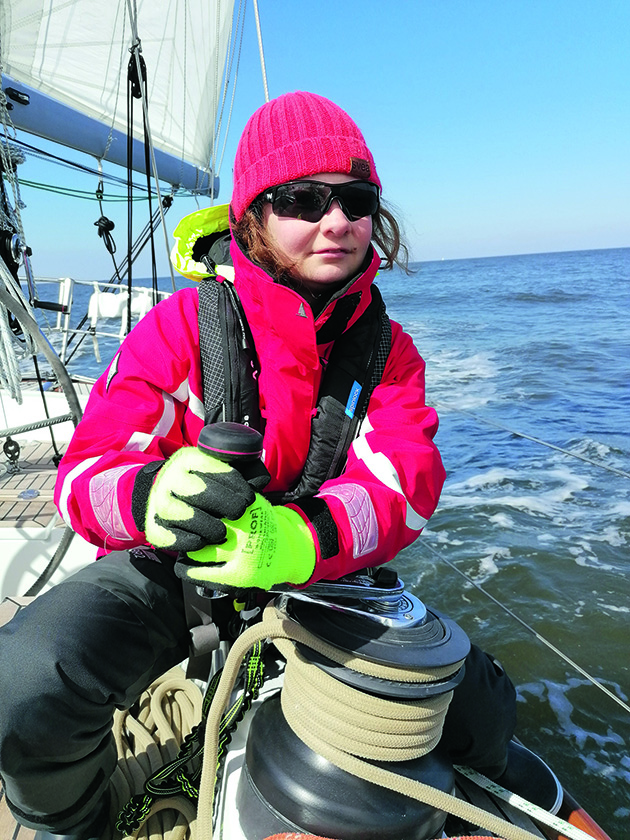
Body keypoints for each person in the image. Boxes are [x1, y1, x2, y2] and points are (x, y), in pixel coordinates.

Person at [0, 91, 520, 840]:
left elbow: (404, 483)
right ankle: (77, 822)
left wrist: (296, 540)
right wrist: (150, 495)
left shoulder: (387, 351)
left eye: (355, 199)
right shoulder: (182, 327)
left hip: (325, 576)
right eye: (302, 200)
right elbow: (84, 474)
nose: (334, 220)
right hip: (178, 577)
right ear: (252, 217)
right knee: (23, 682)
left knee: (483, 712)